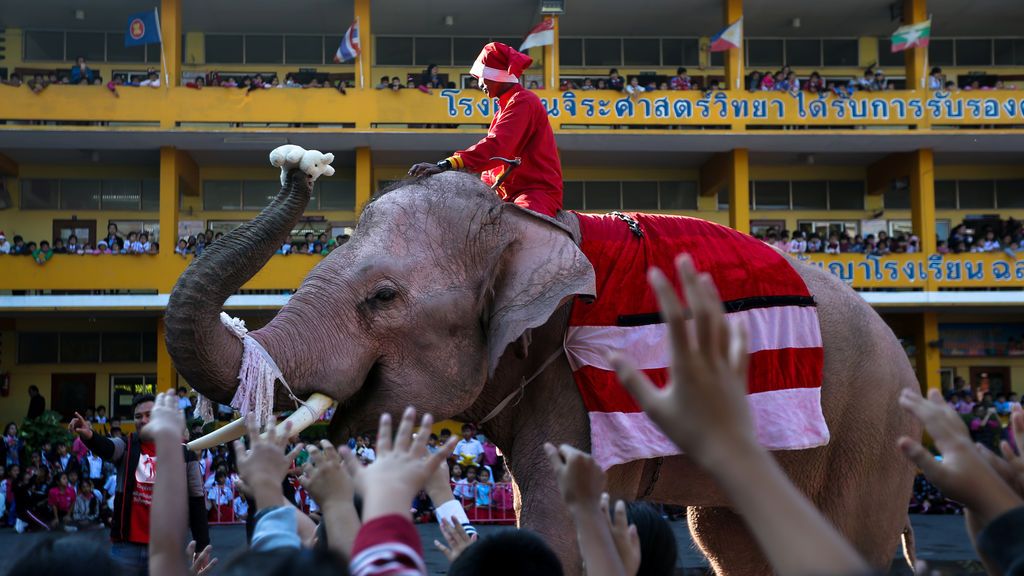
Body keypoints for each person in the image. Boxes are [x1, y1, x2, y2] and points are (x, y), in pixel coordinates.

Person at [408, 42, 564, 218]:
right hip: (508, 196)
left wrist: (447, 164)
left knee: (518, 229)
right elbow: (492, 169)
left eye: (481, 77)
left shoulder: (523, 101)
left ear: (496, 76)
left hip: (535, 194)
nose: (479, 84)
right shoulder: (505, 107)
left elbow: (496, 148)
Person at [68, 394, 209, 573]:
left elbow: (197, 502)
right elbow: (107, 447)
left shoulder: (184, 454)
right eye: (138, 416)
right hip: (126, 548)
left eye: (149, 415)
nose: (143, 420)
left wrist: (202, 548)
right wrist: (90, 436)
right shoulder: (126, 446)